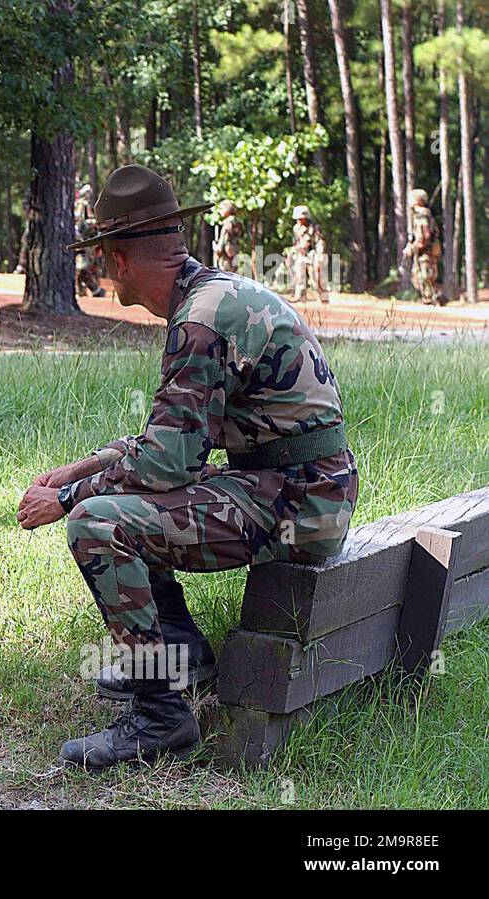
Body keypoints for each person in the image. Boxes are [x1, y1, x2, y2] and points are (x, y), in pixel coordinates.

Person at [18, 164, 358, 772]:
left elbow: (164, 467)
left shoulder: (202, 321)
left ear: (119, 261)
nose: (98, 268)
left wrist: (68, 501)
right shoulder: (212, 299)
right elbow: (173, 446)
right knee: (117, 503)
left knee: (100, 525)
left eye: (100, 255)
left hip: (299, 506)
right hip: (299, 489)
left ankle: (160, 715)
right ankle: (182, 655)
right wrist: (82, 467)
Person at [404, 189, 442, 306]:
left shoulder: (421, 214)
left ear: (417, 200)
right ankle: (430, 300)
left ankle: (430, 301)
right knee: (423, 277)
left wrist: (415, 247)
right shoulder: (424, 213)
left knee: (425, 276)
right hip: (426, 251)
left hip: (425, 252)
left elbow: (425, 235)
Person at [290, 205, 327, 303]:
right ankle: (300, 296)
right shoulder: (296, 228)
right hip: (301, 253)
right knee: (299, 274)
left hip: (312, 253)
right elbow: (296, 242)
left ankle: (321, 296)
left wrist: (320, 255)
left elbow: (319, 242)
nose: (299, 221)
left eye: (301, 219)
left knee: (315, 275)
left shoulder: (314, 228)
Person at [74, 183, 106, 297]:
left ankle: (93, 289)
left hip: (83, 241)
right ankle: (84, 290)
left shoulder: (84, 205)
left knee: (83, 266)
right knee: (78, 267)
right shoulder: (77, 204)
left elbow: (90, 221)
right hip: (76, 240)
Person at [212, 199, 242, 274]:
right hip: (235, 255)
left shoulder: (227, 224)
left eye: (221, 209)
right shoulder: (237, 222)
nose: (220, 211)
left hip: (226, 258)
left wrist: (217, 251)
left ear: (228, 209)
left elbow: (223, 241)